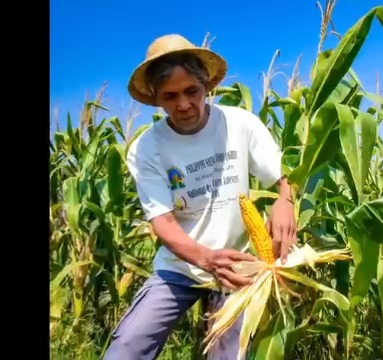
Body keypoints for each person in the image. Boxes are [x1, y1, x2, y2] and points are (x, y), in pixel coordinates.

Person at [102, 34, 297, 360]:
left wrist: (286, 200)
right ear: (155, 98)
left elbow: (283, 178)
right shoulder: (147, 148)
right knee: (126, 348)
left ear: (207, 85)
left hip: (239, 265)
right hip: (180, 266)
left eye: (191, 91)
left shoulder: (240, 124)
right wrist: (206, 259)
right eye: (170, 95)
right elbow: (162, 222)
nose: (183, 104)